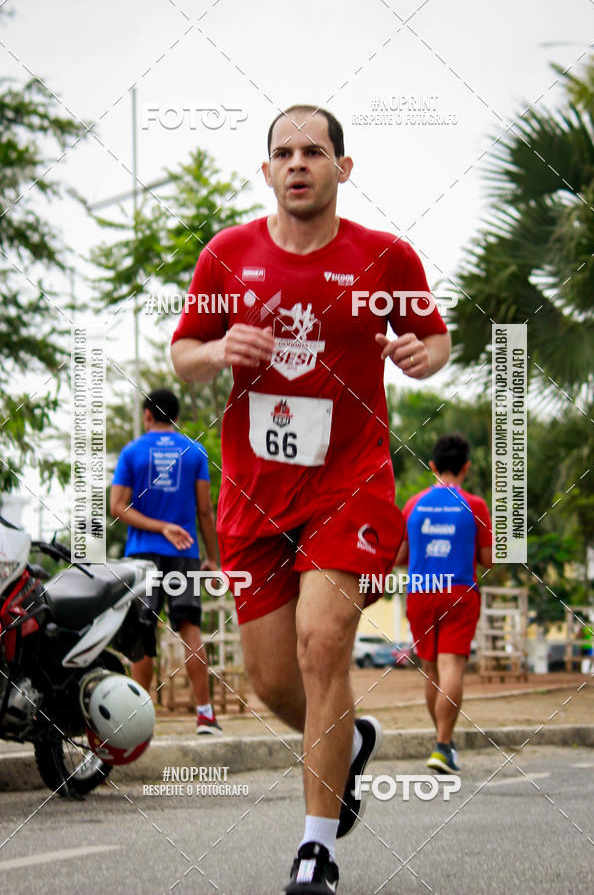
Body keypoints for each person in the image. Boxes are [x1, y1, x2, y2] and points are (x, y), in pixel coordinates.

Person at [171, 105, 450, 893]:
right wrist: (219, 349)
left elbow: (434, 338)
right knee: (271, 681)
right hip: (255, 494)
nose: (299, 163)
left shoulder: (385, 257)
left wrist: (421, 356)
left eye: (315, 151)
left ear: (342, 168)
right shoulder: (227, 256)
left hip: (349, 484)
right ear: (267, 171)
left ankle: (315, 851)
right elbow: (184, 353)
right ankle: (349, 742)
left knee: (322, 643)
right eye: (285, 153)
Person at [110, 388, 221, 734]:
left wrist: (158, 527)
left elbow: (117, 507)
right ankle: (205, 716)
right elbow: (205, 510)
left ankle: (137, 720)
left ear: (147, 415)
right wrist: (212, 558)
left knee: (142, 632)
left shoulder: (132, 452)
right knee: (190, 628)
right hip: (185, 553)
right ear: (176, 417)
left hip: (142, 555)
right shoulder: (194, 451)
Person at [397, 433, 492, 774]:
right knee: (451, 668)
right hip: (459, 592)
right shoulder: (475, 506)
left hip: (420, 593)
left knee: (432, 670)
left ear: (432, 465)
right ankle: (442, 745)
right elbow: (489, 559)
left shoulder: (413, 505)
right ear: (466, 467)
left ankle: (443, 743)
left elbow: (399, 557)